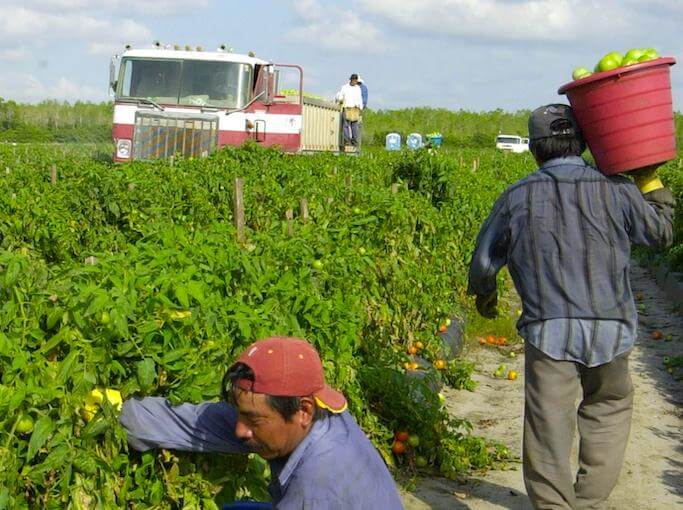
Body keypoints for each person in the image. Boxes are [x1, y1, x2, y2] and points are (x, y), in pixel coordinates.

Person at [467, 104, 675, 509]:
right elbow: (661, 235)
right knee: (609, 407)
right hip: (613, 326)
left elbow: (484, 261)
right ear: (583, 144)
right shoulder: (618, 189)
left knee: (548, 426)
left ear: (534, 150)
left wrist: (485, 294)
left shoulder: (517, 196)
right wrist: (649, 181)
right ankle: (589, 501)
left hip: (549, 330)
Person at [119, 336, 404, 509]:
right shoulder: (313, 416)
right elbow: (197, 424)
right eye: (239, 413)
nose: (239, 430)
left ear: (303, 411)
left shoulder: (316, 487)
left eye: (252, 419)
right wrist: (117, 412)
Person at [335, 73, 364, 147]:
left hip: (355, 108)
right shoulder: (344, 87)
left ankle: (354, 141)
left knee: (354, 125)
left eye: (356, 81)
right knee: (346, 125)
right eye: (354, 80)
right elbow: (340, 97)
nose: (355, 82)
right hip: (347, 108)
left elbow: (359, 99)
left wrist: (360, 108)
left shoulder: (358, 88)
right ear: (351, 80)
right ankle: (347, 140)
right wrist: (340, 100)